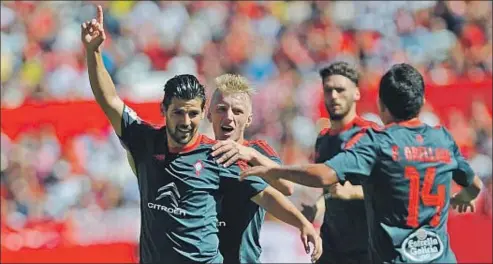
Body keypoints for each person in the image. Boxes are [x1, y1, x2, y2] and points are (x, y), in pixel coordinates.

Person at [81, 6, 321, 263]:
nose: (186, 122)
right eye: (178, 113)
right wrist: (93, 52)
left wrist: (302, 224)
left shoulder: (218, 155)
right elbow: (109, 100)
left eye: (193, 114)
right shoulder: (145, 141)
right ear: (164, 109)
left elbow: (268, 193)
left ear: (202, 113)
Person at [240, 63, 483, 263]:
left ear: (381, 105)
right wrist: (463, 198)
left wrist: (273, 168)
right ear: (421, 101)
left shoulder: (377, 142)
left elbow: (324, 175)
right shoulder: (442, 138)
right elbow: (474, 185)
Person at [205, 73, 294, 263]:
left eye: (237, 111)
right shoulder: (198, 154)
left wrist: (251, 156)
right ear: (208, 114)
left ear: (249, 119)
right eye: (221, 109)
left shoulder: (257, 151)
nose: (229, 117)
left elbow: (287, 187)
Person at [302, 62, 380, 264]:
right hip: (331, 245)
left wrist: (352, 192)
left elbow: (391, 189)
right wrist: (317, 208)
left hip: (367, 248)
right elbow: (330, 190)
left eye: (340, 89)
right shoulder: (323, 138)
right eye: (329, 90)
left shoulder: (371, 135)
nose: (334, 96)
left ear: (356, 93)